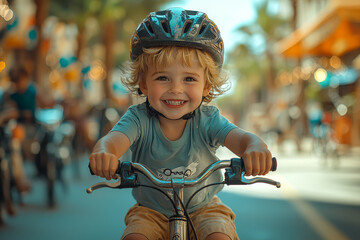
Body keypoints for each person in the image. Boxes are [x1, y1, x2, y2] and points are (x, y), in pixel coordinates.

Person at [89, 8, 273, 240]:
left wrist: (254, 148)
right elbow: (112, 142)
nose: (176, 89)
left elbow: (241, 138)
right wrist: (104, 153)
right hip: (150, 212)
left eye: (189, 79)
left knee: (219, 236)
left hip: (204, 208)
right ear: (143, 83)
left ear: (206, 86)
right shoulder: (138, 119)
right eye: (162, 78)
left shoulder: (208, 119)